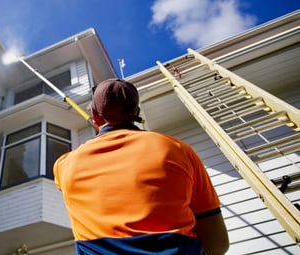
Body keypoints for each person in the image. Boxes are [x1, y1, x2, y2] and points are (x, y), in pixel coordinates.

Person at [53, 79, 229, 255]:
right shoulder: (178, 149)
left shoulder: (65, 165)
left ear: (94, 114)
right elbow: (218, 245)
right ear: (136, 112)